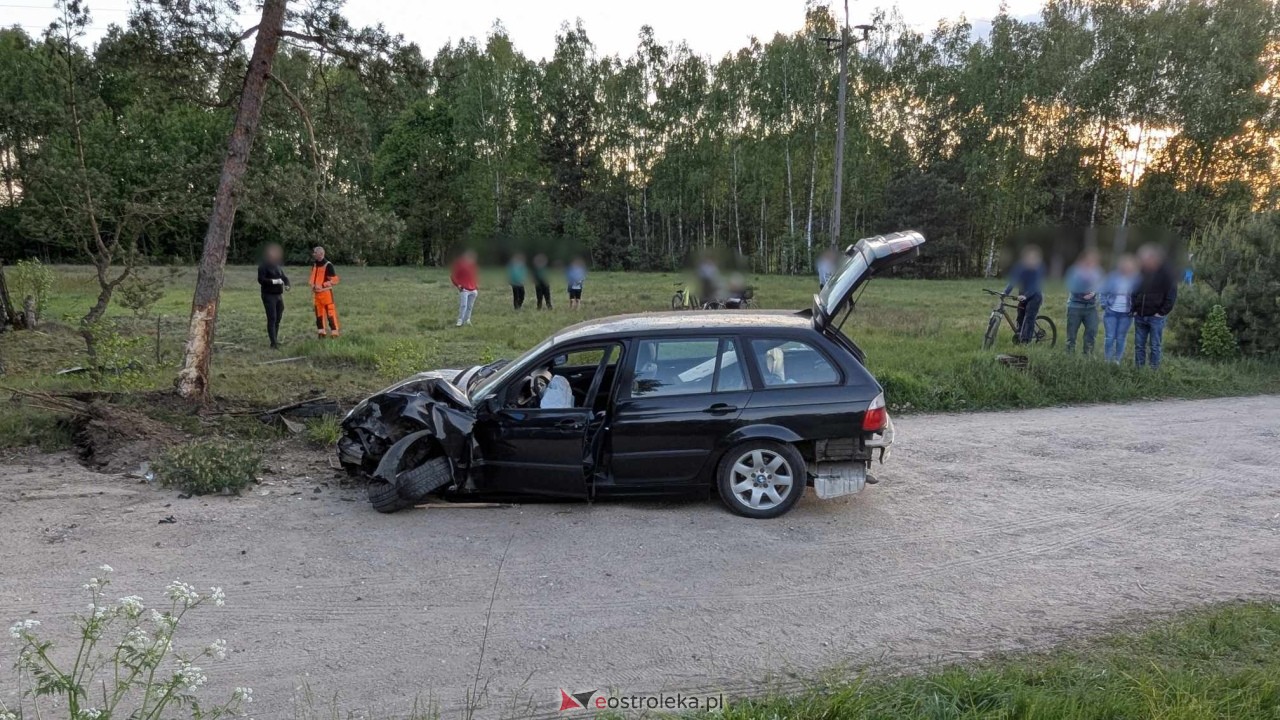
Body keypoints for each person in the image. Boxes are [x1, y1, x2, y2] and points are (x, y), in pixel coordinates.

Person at [1131, 244, 1178, 369]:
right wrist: (1134, 309)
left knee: (1155, 345)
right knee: (1139, 345)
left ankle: (1154, 371)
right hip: (1140, 316)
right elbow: (1133, 291)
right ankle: (1139, 369)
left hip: (1156, 317)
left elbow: (1171, 296)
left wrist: (1162, 312)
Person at [1100, 254, 1139, 364]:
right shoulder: (1112, 277)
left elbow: (1140, 294)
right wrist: (1104, 305)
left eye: (1129, 266)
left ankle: (1117, 360)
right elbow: (1103, 292)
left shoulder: (1136, 279)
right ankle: (1107, 359)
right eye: (1125, 266)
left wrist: (1135, 308)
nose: (1127, 268)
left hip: (1126, 314)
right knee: (1110, 337)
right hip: (1111, 312)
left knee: (1121, 338)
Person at [1002, 245, 1045, 344]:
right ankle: (1020, 337)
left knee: (1029, 317)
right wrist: (1005, 293)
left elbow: (1035, 286)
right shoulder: (1020, 267)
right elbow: (1013, 280)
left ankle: (1026, 342)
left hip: (1035, 296)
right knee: (1020, 317)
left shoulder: (1038, 269)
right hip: (1022, 296)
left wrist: (1026, 296)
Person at [1064, 248, 1102, 355]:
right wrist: (1083, 293)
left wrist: (1094, 293)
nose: (1091, 262)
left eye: (1093, 260)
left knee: (1092, 332)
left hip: (1091, 307)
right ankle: (1069, 355)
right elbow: (1071, 286)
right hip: (1075, 306)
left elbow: (1100, 285)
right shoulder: (1075, 271)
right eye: (1088, 260)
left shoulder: (1097, 272)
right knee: (1071, 334)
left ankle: (1087, 355)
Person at [257, 244, 290, 349]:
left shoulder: (277, 266)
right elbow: (261, 280)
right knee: (272, 317)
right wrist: (274, 281)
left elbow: (284, 277)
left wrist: (287, 284)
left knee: (278, 317)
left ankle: (275, 338)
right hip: (268, 295)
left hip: (278, 295)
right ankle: (273, 343)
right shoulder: (263, 266)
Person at [309, 246, 340, 338]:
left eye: (315, 252)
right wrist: (313, 285)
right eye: (314, 252)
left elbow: (334, 280)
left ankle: (334, 333)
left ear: (321, 254)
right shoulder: (314, 264)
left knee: (330, 313)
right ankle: (321, 333)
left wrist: (323, 285)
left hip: (326, 294)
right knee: (319, 314)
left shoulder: (328, 265)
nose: (313, 254)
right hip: (317, 294)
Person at [451, 249, 479, 327]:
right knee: (463, 305)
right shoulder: (460, 265)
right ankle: (460, 320)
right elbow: (453, 276)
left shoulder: (473, 265)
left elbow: (474, 275)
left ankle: (467, 319)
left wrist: (476, 285)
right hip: (464, 288)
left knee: (470, 306)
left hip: (473, 289)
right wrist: (458, 285)